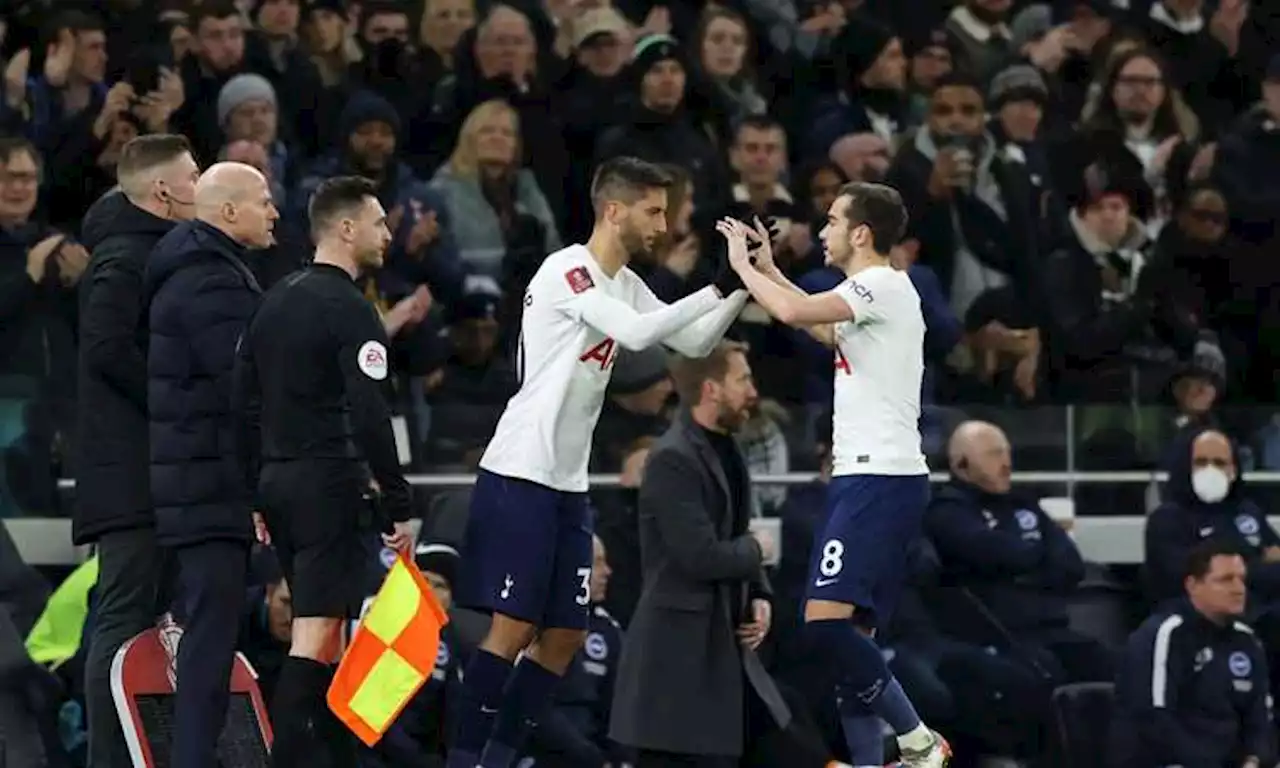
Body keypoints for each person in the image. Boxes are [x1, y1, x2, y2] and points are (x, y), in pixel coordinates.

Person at [447, 156, 751, 768]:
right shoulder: (570, 271)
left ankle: (500, 759)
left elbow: (691, 343)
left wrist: (742, 281)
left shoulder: (625, 283)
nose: (662, 226)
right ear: (614, 210)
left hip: (565, 480)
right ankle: (464, 761)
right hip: (522, 470)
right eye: (653, 211)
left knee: (563, 636)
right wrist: (716, 285)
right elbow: (637, 335)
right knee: (511, 631)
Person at [723, 183, 950, 767]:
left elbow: (796, 313)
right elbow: (820, 326)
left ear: (860, 233)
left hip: (877, 480)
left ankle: (919, 741)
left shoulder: (881, 283)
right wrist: (771, 269)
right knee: (854, 649)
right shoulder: (874, 294)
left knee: (824, 628)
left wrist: (742, 269)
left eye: (830, 221)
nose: (821, 232)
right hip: (879, 479)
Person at [232, 175, 414, 768]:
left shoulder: (273, 299)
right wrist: (396, 496)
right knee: (314, 639)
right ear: (345, 228)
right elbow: (369, 409)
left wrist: (252, 490)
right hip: (326, 483)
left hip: (278, 485)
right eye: (379, 222)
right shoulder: (350, 309)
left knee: (328, 641)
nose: (387, 233)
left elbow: (244, 403)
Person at [611, 341, 810, 767]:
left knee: (789, 738)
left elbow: (732, 531)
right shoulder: (671, 459)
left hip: (724, 643)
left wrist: (760, 593)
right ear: (711, 389)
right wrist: (757, 549)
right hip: (679, 656)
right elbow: (698, 555)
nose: (753, 391)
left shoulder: (728, 447)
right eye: (743, 380)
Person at [145, 161, 278, 768]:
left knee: (210, 637)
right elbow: (242, 384)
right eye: (264, 201)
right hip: (208, 486)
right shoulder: (211, 281)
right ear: (228, 212)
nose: (274, 211)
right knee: (209, 643)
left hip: (199, 482)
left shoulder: (203, 270)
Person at [74, 133, 199, 768]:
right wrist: (175, 395)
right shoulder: (124, 258)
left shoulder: (151, 251)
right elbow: (104, 347)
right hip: (131, 478)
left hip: (154, 471)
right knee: (123, 620)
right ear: (163, 192)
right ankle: (108, 757)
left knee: (150, 622)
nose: (201, 187)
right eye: (193, 177)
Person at [1111, 539, 1276, 768]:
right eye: (1225, 580)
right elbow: (1153, 718)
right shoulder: (1165, 634)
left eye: (1242, 580)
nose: (1239, 589)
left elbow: (1260, 720)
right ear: (1193, 585)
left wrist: (1254, 759)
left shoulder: (1246, 640)